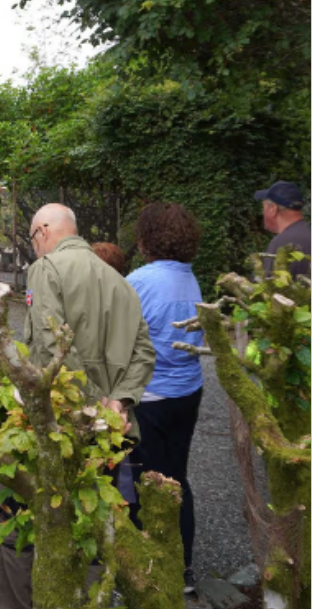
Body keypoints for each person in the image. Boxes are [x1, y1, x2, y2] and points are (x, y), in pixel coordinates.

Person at [0, 203, 155, 609]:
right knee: (93, 525)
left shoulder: (46, 270)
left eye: (33, 238)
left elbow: (50, 346)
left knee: (24, 522)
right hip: (111, 432)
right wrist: (119, 400)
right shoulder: (121, 282)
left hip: (59, 426)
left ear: (43, 230)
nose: (35, 248)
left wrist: (90, 406)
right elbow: (145, 352)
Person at [126, 203, 204, 594]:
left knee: (145, 480)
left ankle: (150, 569)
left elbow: (120, 338)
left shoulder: (140, 280)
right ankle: (184, 567)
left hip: (151, 395)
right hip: (188, 390)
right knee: (177, 477)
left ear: (147, 238)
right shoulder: (189, 278)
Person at [255, 181, 310, 277]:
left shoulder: (281, 243)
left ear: (273, 209)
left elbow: (268, 287)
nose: (262, 212)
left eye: (263, 207)